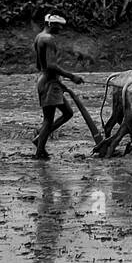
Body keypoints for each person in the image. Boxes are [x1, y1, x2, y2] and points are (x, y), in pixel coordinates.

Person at [32, 13, 84, 159]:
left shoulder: (39, 37)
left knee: (67, 113)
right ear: (49, 24)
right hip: (49, 83)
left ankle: (40, 139)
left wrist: (59, 82)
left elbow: (40, 65)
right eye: (57, 25)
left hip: (46, 80)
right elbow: (52, 65)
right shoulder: (48, 39)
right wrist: (72, 77)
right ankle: (39, 152)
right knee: (48, 120)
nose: (60, 28)